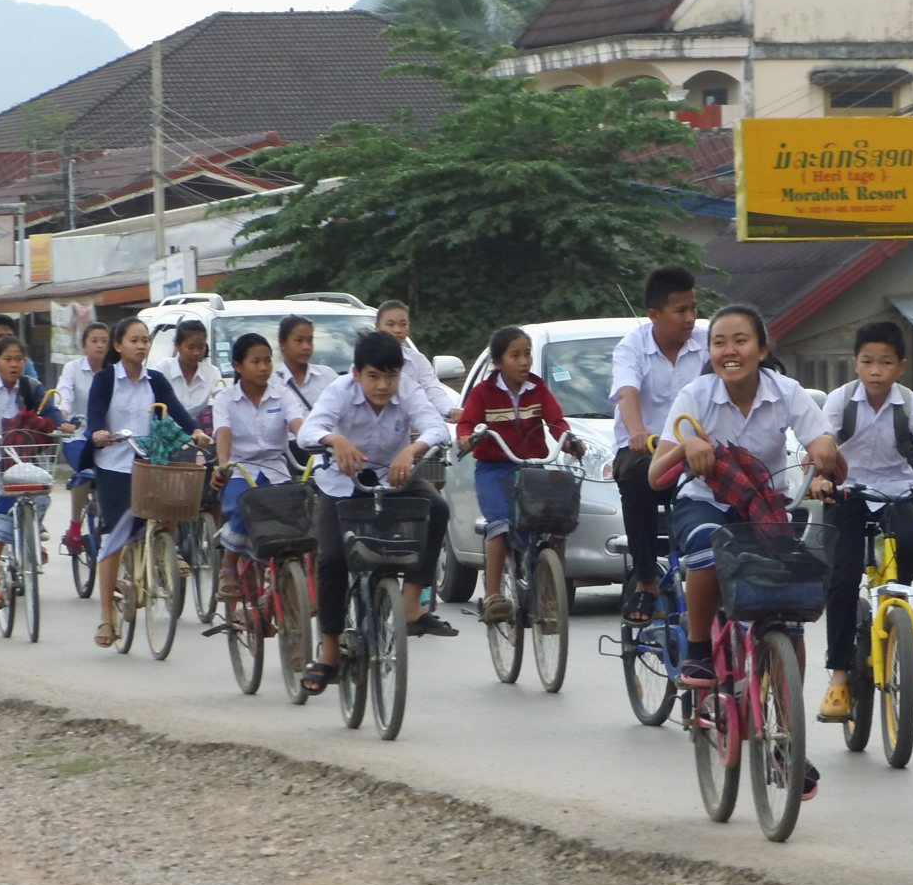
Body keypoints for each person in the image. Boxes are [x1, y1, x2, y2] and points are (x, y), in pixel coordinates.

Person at [648, 304, 843, 800]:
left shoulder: (787, 392)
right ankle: (698, 652)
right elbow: (655, 476)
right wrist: (687, 447)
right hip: (704, 504)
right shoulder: (695, 396)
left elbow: (827, 450)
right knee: (708, 546)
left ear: (761, 349)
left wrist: (824, 452)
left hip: (764, 508)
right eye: (719, 342)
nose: (729, 351)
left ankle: (787, 732)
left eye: (740, 340)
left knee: (791, 609)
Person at [295, 330, 457, 695]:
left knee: (437, 509)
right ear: (357, 374)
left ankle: (411, 604)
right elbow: (308, 432)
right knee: (333, 559)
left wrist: (411, 450)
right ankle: (330, 651)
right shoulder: (339, 391)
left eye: (391, 376)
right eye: (373, 376)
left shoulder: (407, 390)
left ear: (400, 374)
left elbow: (437, 428)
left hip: (393, 478)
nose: (383, 385)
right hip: (341, 484)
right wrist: (335, 440)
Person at [814, 321, 913, 724]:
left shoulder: (911, 404)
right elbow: (820, 442)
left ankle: (898, 595)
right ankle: (839, 677)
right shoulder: (840, 400)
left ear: (901, 366)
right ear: (855, 364)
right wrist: (820, 478)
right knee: (841, 579)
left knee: (911, 546)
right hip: (848, 491)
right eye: (867, 361)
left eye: (885, 362)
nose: (876, 370)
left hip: (896, 490)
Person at [78, 317, 206, 648]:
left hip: (148, 462)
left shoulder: (156, 380)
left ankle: (162, 551)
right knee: (115, 536)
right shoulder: (106, 379)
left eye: (145, 340)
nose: (141, 346)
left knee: (172, 501)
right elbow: (95, 414)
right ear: (118, 345)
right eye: (134, 340)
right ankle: (106, 617)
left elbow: (175, 410)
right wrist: (98, 433)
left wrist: (195, 431)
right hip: (113, 465)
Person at [455, 325, 583, 622]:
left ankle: (549, 600)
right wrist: (466, 437)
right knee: (499, 525)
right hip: (494, 470)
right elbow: (467, 424)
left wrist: (569, 441)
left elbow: (556, 421)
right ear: (498, 362)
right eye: (516, 355)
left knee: (556, 526)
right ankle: (492, 595)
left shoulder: (538, 389)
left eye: (527, 354)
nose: (524, 361)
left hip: (532, 468)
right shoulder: (482, 393)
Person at [610, 265, 708, 623]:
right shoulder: (631, 347)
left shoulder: (709, 339)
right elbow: (627, 393)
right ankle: (646, 580)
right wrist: (638, 433)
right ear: (654, 315)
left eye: (693, 308)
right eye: (680, 310)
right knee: (636, 478)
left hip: (699, 450)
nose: (690, 318)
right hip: (648, 451)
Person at [0, 335, 66, 611]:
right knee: (0, 514)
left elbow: (51, 411)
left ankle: (30, 536)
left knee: (41, 498)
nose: (14, 364)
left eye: (19, 359)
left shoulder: (32, 387)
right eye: (7, 359)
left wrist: (62, 424)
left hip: (29, 461)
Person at [210, 333, 293, 598]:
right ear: (238, 366)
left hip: (276, 470)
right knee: (245, 506)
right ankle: (229, 565)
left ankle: (288, 576)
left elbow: (299, 424)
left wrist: (320, 441)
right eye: (255, 362)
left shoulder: (282, 394)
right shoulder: (225, 399)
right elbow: (224, 432)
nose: (263, 367)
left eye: (267, 360)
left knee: (296, 515)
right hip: (239, 470)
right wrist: (224, 464)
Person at [54, 321, 111, 553]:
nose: (100, 346)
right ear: (84, 345)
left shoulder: (115, 370)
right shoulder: (73, 369)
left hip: (109, 438)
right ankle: (75, 525)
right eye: (94, 341)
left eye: (104, 341)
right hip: (78, 436)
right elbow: (64, 393)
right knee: (85, 472)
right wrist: (62, 416)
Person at [377, 300, 463, 420]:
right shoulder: (364, 359)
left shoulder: (417, 360)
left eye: (403, 324)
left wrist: (450, 410)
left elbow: (432, 390)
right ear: (377, 327)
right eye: (390, 325)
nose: (398, 330)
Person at [272, 314, 340, 435]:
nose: (306, 347)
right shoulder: (272, 384)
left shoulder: (327, 376)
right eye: (299, 341)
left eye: (310, 340)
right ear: (282, 344)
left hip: (328, 444)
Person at [152, 318, 225, 432]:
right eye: (190, 347)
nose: (196, 353)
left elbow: (222, 403)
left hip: (199, 435)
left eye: (201, 347)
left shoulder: (212, 373)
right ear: (177, 346)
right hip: (167, 435)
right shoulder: (162, 370)